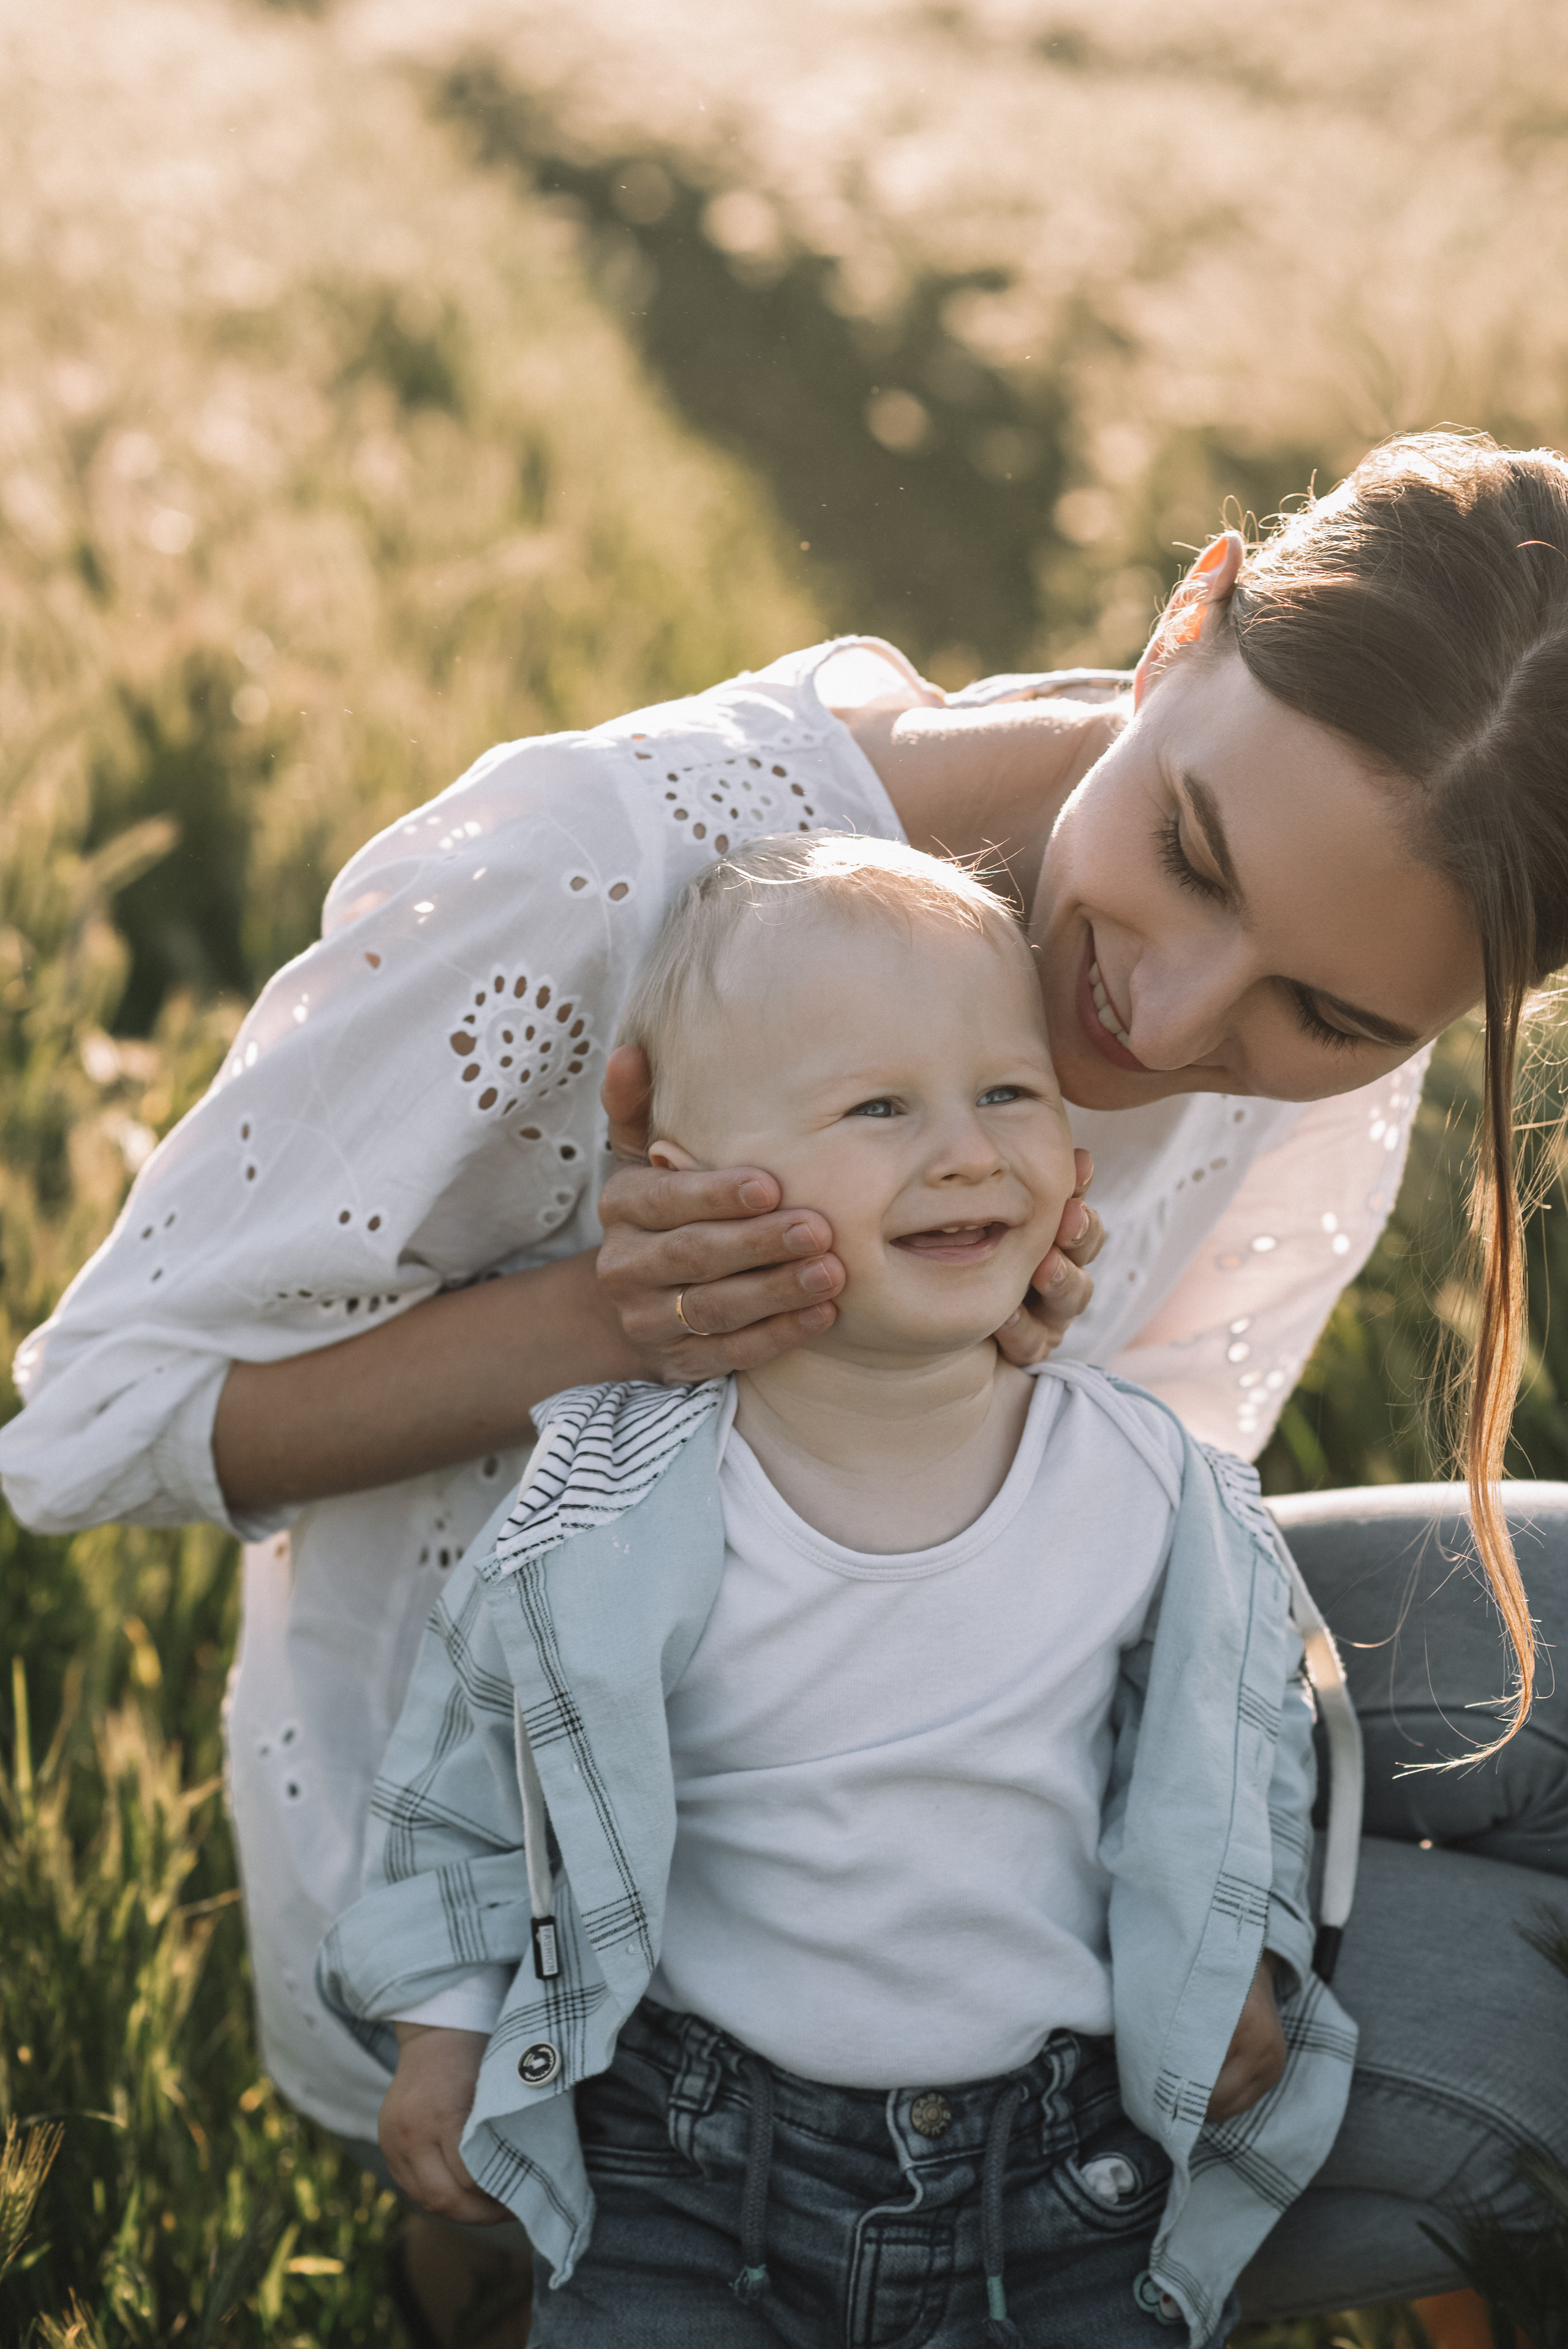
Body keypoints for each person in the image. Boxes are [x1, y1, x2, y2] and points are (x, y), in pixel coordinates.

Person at [4, 426, 1568, 2323]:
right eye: (1189, 854)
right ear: (1185, 624)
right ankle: (520, 2274)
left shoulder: (1350, 1006)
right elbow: (93, 1427)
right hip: (560, 1870)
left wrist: (1197, 1844)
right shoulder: (610, 872)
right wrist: (617, 1319)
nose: (1167, 1023)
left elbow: (1157, 1549)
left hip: (975, 1773)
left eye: (1322, 1013)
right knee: (1538, 2072)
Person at [320, 833, 1357, 2349]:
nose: (965, 1152)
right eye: (878, 1107)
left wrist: (1244, 1953)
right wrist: (447, 2023)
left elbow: (1237, 1733)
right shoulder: (613, 1501)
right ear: (694, 1188)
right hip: (684, 2153)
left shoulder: (1142, 1480)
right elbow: (475, 1772)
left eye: (1006, 1093)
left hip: (1054, 2166)